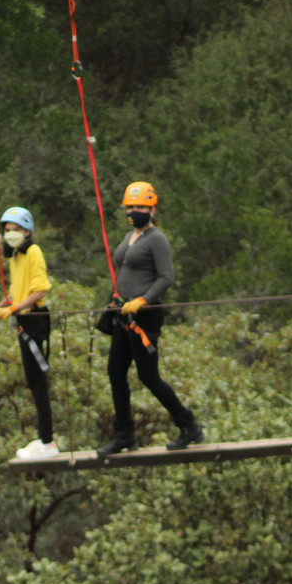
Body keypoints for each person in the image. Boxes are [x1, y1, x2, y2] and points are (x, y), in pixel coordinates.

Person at [97, 181, 204, 456]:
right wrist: (117, 300)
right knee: (115, 372)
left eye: (141, 207)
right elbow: (125, 270)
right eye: (131, 206)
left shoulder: (156, 238)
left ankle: (190, 426)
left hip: (144, 317)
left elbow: (166, 276)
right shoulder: (129, 236)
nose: (135, 211)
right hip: (123, 312)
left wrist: (143, 300)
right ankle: (124, 434)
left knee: (148, 375)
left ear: (153, 208)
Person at [0, 207, 57, 460]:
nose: (10, 234)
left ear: (27, 232)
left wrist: (13, 308)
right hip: (24, 319)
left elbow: (39, 291)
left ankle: (47, 441)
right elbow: (18, 292)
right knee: (33, 381)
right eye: (7, 230)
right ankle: (44, 439)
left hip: (35, 319)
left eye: (15, 230)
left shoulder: (33, 252)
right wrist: (1, 307)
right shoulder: (15, 256)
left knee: (38, 382)